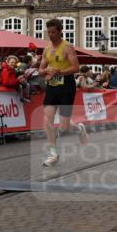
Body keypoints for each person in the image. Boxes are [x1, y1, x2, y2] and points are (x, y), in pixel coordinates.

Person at [40, 18, 88, 167]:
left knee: (64, 126)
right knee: (47, 119)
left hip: (67, 87)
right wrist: (46, 71)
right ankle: (53, 154)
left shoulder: (67, 47)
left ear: (60, 32)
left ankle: (79, 129)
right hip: (52, 87)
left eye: (53, 32)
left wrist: (58, 72)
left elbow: (76, 68)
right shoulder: (47, 49)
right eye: (48, 32)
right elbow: (40, 70)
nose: (51, 35)